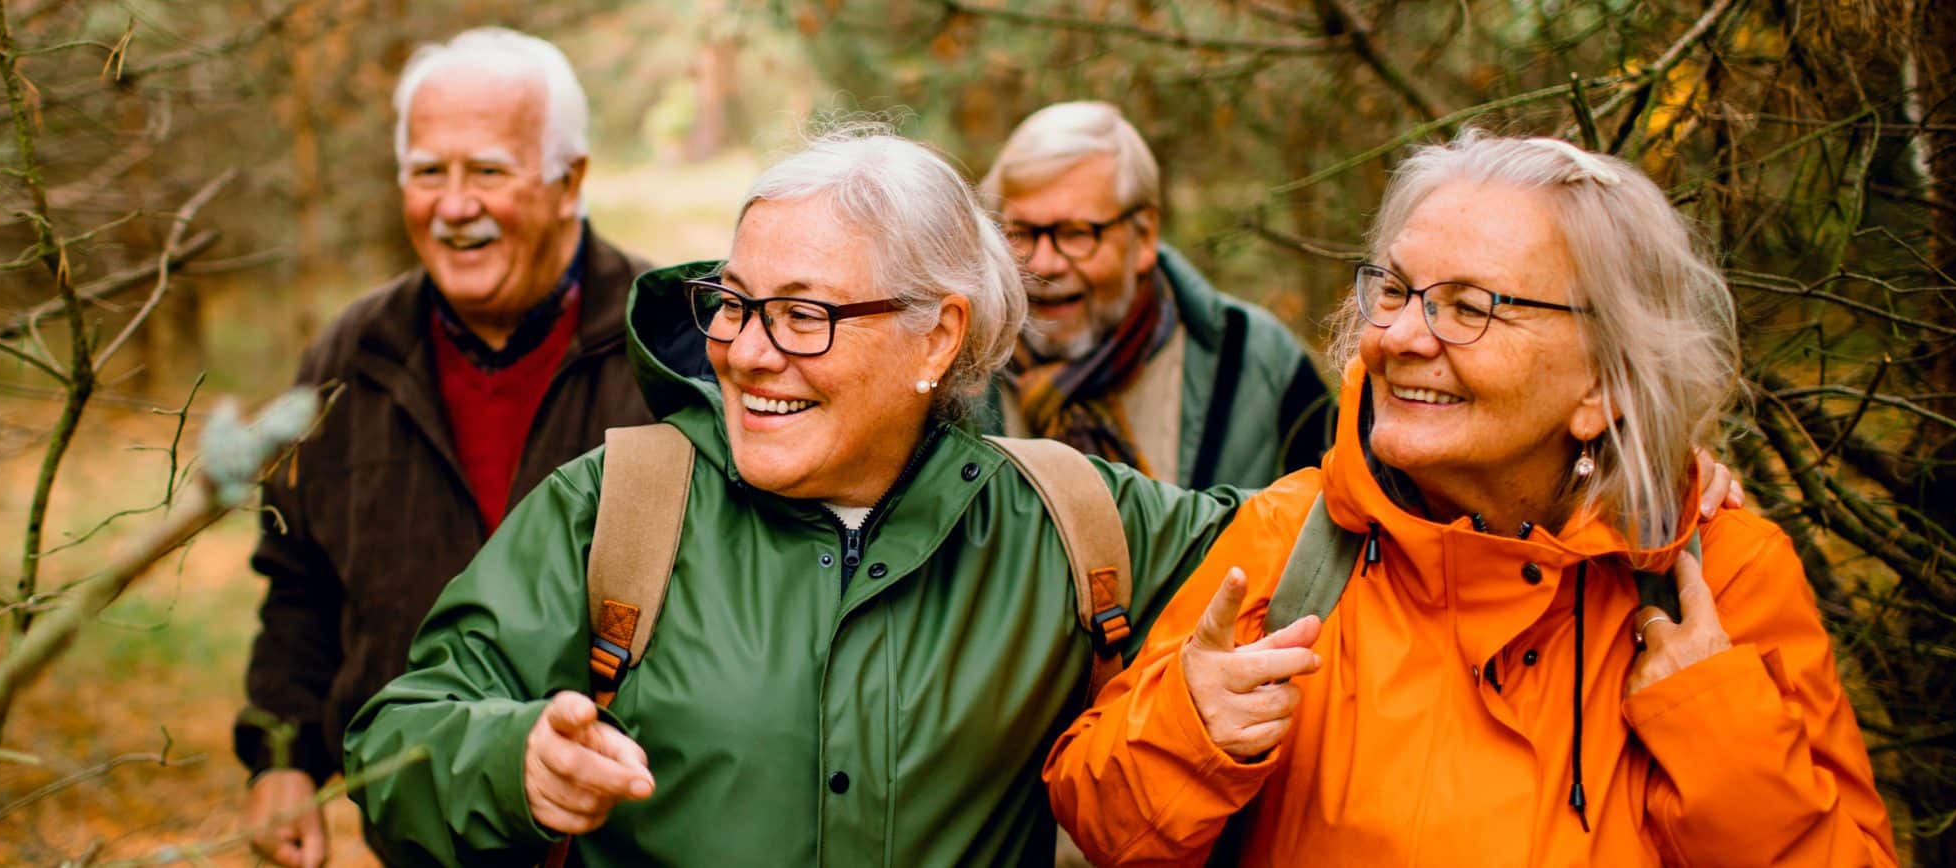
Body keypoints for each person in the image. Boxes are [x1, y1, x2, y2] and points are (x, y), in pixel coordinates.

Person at [335, 124, 1262, 866]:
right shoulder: (617, 508)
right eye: (735, 302)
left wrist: (1401, 381)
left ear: (937, 339)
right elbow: (396, 740)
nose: (744, 350)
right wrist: (511, 764)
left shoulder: (1066, 521)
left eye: (802, 314)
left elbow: (1325, 536)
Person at [1044, 132, 1896, 865]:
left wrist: (1715, 725)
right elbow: (1105, 826)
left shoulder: (1721, 579)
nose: (1405, 338)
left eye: (1470, 308)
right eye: (1396, 291)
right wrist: (1190, 732)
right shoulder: (1291, 540)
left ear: (1603, 383)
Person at [234, 27, 656, 867]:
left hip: (628, 837)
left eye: (489, 171)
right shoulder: (347, 360)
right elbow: (299, 582)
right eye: (429, 171)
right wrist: (281, 760)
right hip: (427, 832)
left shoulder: (666, 353)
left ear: (568, 181)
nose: (454, 206)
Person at [984, 102, 1331, 489]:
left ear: (1144, 235)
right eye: (1022, 233)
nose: (1044, 264)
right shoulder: (956, 369)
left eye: (1075, 234)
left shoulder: (1256, 361)